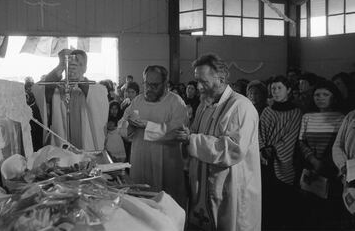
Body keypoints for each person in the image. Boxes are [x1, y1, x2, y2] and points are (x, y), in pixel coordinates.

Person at [174, 54, 261, 231]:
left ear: (221, 79)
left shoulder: (240, 107)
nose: (198, 86)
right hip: (203, 186)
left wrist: (191, 139)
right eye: (196, 80)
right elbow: (194, 135)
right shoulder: (204, 105)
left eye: (203, 81)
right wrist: (187, 136)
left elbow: (233, 150)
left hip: (230, 188)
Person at [119, 65, 188, 207]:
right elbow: (122, 125)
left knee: (166, 206)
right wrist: (130, 126)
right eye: (147, 84)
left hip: (166, 161)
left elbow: (177, 131)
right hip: (139, 158)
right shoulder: (137, 101)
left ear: (165, 83)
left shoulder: (175, 102)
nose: (149, 88)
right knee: (141, 202)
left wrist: (147, 126)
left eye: (155, 85)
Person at [298, 80, 346, 229]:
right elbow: (301, 141)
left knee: (329, 212)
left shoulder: (341, 118)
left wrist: (325, 163)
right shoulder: (307, 117)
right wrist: (313, 160)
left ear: (334, 97)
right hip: (311, 168)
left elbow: (340, 144)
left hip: (332, 170)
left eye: (325, 94)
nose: (320, 97)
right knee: (310, 211)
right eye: (317, 94)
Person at [259, 75, 302, 230]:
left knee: (283, 198)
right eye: (273, 88)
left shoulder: (296, 112)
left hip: (284, 160)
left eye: (279, 88)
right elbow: (258, 132)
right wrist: (262, 148)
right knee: (266, 198)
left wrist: (275, 149)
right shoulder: (267, 111)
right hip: (265, 159)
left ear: (288, 90)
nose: (275, 91)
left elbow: (291, 136)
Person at [42, 49, 108, 150]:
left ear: (85, 68)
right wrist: (60, 66)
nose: (74, 67)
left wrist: (79, 80)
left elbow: (99, 112)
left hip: (87, 149)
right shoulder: (57, 88)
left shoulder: (97, 89)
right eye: (71, 64)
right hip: (62, 149)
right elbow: (42, 90)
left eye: (79, 64)